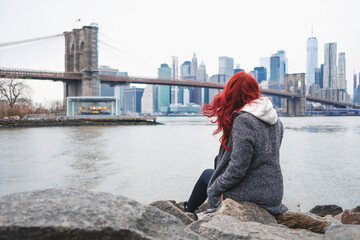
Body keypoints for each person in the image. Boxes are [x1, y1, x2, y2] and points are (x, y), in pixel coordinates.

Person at [184, 71, 288, 219]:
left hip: (252, 195)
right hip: (274, 193)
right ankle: (190, 210)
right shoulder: (276, 121)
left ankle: (188, 212)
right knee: (217, 161)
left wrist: (215, 188)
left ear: (233, 93)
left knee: (207, 175)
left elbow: (238, 168)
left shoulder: (244, 120)